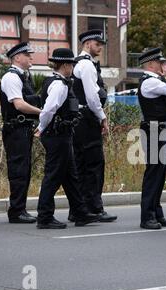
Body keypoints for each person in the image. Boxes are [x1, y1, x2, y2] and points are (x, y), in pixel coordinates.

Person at [34, 48, 100, 229]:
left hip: (62, 135)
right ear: (64, 65)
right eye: (71, 64)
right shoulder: (59, 85)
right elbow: (48, 110)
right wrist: (41, 127)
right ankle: (45, 217)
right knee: (53, 176)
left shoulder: (59, 82)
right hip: (57, 136)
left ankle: (80, 213)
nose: (73, 67)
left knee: (71, 176)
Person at [71, 29, 117, 223]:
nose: (100, 48)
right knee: (94, 164)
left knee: (81, 165)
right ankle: (95, 208)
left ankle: (79, 209)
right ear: (88, 43)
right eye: (97, 44)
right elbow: (92, 96)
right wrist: (102, 117)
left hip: (77, 119)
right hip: (88, 118)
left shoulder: (76, 63)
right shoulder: (87, 65)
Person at [0, 42, 42, 224]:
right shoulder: (11, 77)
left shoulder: (24, 77)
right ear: (17, 57)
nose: (31, 57)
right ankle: (16, 211)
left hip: (24, 129)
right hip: (16, 130)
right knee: (18, 170)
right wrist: (43, 113)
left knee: (24, 170)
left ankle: (20, 209)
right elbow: (19, 105)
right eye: (27, 55)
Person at [137, 48, 166, 229]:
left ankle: (156, 212)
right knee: (153, 174)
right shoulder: (149, 82)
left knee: (160, 174)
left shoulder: (155, 81)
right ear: (151, 64)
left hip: (161, 131)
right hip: (154, 131)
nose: (165, 66)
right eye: (162, 63)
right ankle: (147, 216)